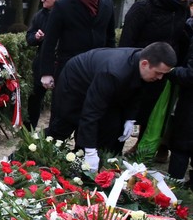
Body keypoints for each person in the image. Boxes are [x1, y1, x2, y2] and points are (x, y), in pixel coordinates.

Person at [46, 42, 176, 172]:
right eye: (158, 73)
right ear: (144, 64)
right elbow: (91, 112)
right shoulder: (114, 72)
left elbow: (137, 92)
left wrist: (130, 119)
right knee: (64, 126)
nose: (160, 78)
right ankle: (45, 157)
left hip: (103, 85)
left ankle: (90, 165)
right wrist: (90, 151)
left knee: (111, 127)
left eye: (163, 74)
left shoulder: (143, 66)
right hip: (76, 85)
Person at [119, 0, 190, 161]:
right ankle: (116, 145)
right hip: (141, 66)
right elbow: (126, 41)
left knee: (154, 111)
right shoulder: (143, 7)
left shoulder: (181, 8)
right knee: (133, 107)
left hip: (166, 69)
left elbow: (180, 38)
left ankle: (147, 146)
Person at [40, 0, 116, 90]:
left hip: (98, 72)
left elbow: (110, 38)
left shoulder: (107, 3)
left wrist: (112, 66)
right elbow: (49, 41)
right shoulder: (63, 6)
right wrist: (46, 73)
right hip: (70, 72)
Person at [25, 0, 68, 130]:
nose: (42, 0)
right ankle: (29, 129)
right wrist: (36, 37)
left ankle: (55, 132)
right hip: (42, 61)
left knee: (60, 99)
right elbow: (29, 37)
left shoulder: (68, 13)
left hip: (62, 62)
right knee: (35, 98)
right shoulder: (40, 15)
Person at [168, 4, 193, 188]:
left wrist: (169, 70)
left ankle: (173, 188)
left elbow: (191, 74)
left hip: (192, 102)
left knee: (181, 145)